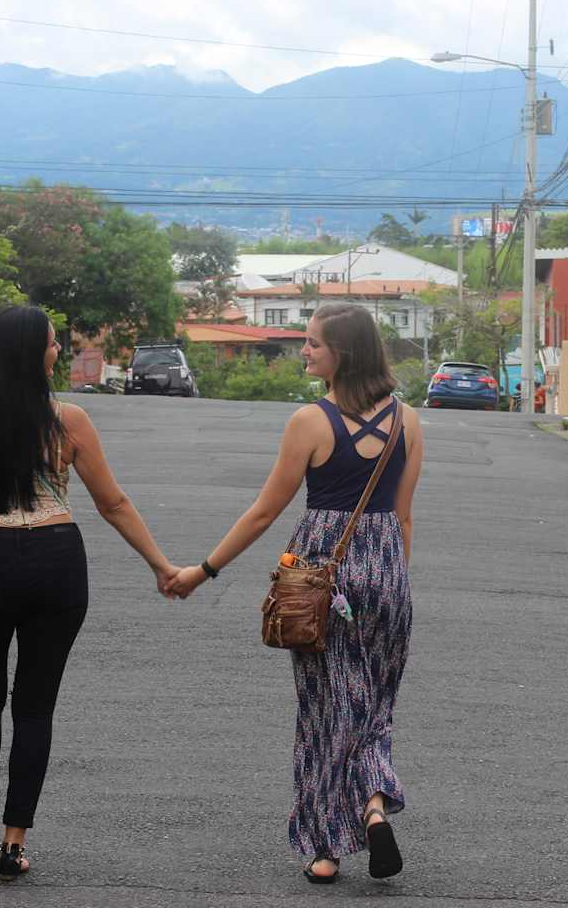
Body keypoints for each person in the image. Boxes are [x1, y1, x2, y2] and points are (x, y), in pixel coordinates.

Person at [0, 306, 178, 880]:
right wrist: (161, 565)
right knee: (35, 706)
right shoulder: (68, 420)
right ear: (33, 354)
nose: (58, 351)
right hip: (55, 560)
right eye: (54, 344)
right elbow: (112, 503)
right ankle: (13, 841)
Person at [166, 303, 426, 884]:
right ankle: (374, 802)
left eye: (313, 344)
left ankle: (327, 847)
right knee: (372, 708)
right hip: (387, 574)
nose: (304, 352)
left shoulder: (311, 421)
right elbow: (403, 518)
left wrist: (202, 570)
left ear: (343, 354)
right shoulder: (408, 422)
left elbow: (263, 513)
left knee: (322, 710)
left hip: (320, 578)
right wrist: (391, 582)